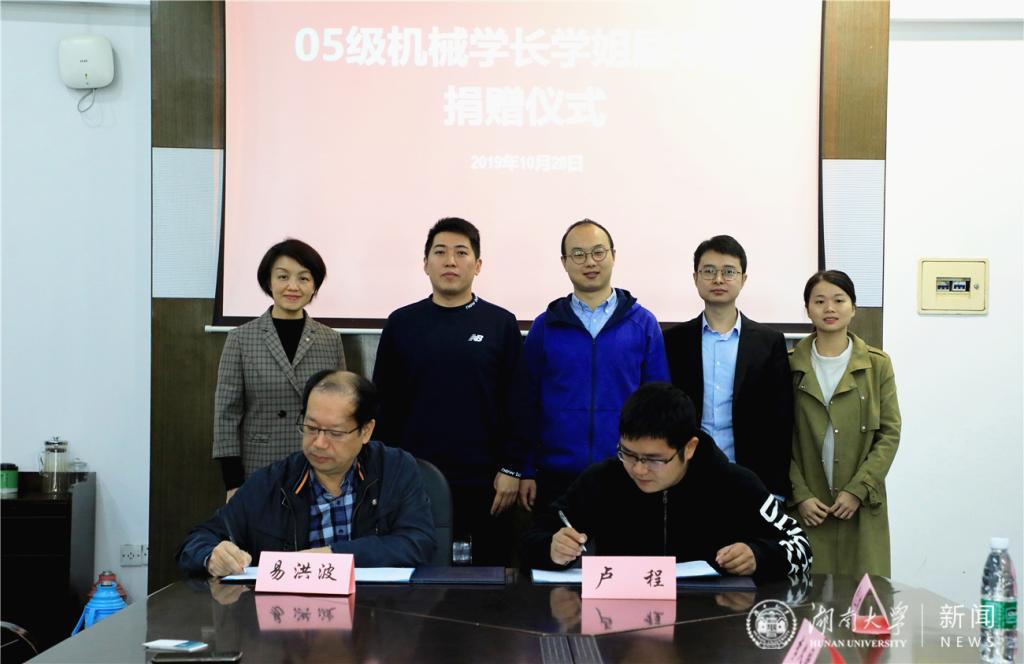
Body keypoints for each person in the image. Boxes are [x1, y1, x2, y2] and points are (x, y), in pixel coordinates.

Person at [521, 382, 812, 581]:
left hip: (708, 627)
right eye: (628, 454)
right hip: (620, 629)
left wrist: (759, 556)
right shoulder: (601, 480)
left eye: (654, 459)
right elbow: (532, 537)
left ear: (689, 448)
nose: (639, 469)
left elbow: (801, 547)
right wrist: (551, 548)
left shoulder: (734, 484)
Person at [178, 371, 436, 576]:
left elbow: (418, 542)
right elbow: (197, 540)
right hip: (292, 620)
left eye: (335, 433)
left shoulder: (395, 469)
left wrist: (332, 556)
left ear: (366, 431)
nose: (319, 443)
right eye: (311, 428)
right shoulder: (271, 482)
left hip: (376, 614)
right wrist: (211, 556)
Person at [372, 217, 523, 565]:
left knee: (485, 577)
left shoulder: (500, 323)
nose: (450, 261)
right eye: (440, 252)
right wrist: (385, 473)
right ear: (425, 263)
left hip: (486, 480)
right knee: (417, 575)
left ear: (478, 265)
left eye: (461, 253)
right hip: (413, 476)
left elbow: (519, 402)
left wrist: (512, 469)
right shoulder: (401, 323)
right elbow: (382, 405)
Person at [514, 219, 671, 514]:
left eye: (598, 252)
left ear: (613, 255)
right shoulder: (545, 326)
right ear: (564, 262)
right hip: (555, 475)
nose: (590, 262)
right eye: (578, 254)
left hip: (628, 472)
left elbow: (658, 406)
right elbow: (527, 404)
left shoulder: (643, 323)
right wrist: (527, 469)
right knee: (557, 544)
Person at [212, 239, 346, 502]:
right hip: (259, 466)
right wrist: (233, 482)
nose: (293, 286)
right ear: (269, 281)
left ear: (314, 285)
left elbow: (340, 408)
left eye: (303, 278)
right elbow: (226, 415)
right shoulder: (241, 339)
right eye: (283, 277)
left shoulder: (330, 340)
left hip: (317, 463)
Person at [789, 270, 901, 577]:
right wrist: (800, 494)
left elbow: (889, 434)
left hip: (860, 505)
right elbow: (776, 439)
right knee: (803, 599)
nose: (829, 308)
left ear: (853, 308)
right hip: (807, 508)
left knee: (865, 597)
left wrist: (857, 489)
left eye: (839, 300)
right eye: (819, 301)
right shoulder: (788, 364)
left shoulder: (877, 364)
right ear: (807, 309)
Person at [663, 235, 793, 498]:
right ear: (695, 278)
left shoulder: (769, 342)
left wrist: (776, 489)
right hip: (686, 475)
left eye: (729, 271)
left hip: (751, 477)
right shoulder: (673, 341)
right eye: (709, 271)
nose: (719, 279)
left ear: (743, 279)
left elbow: (780, 421)